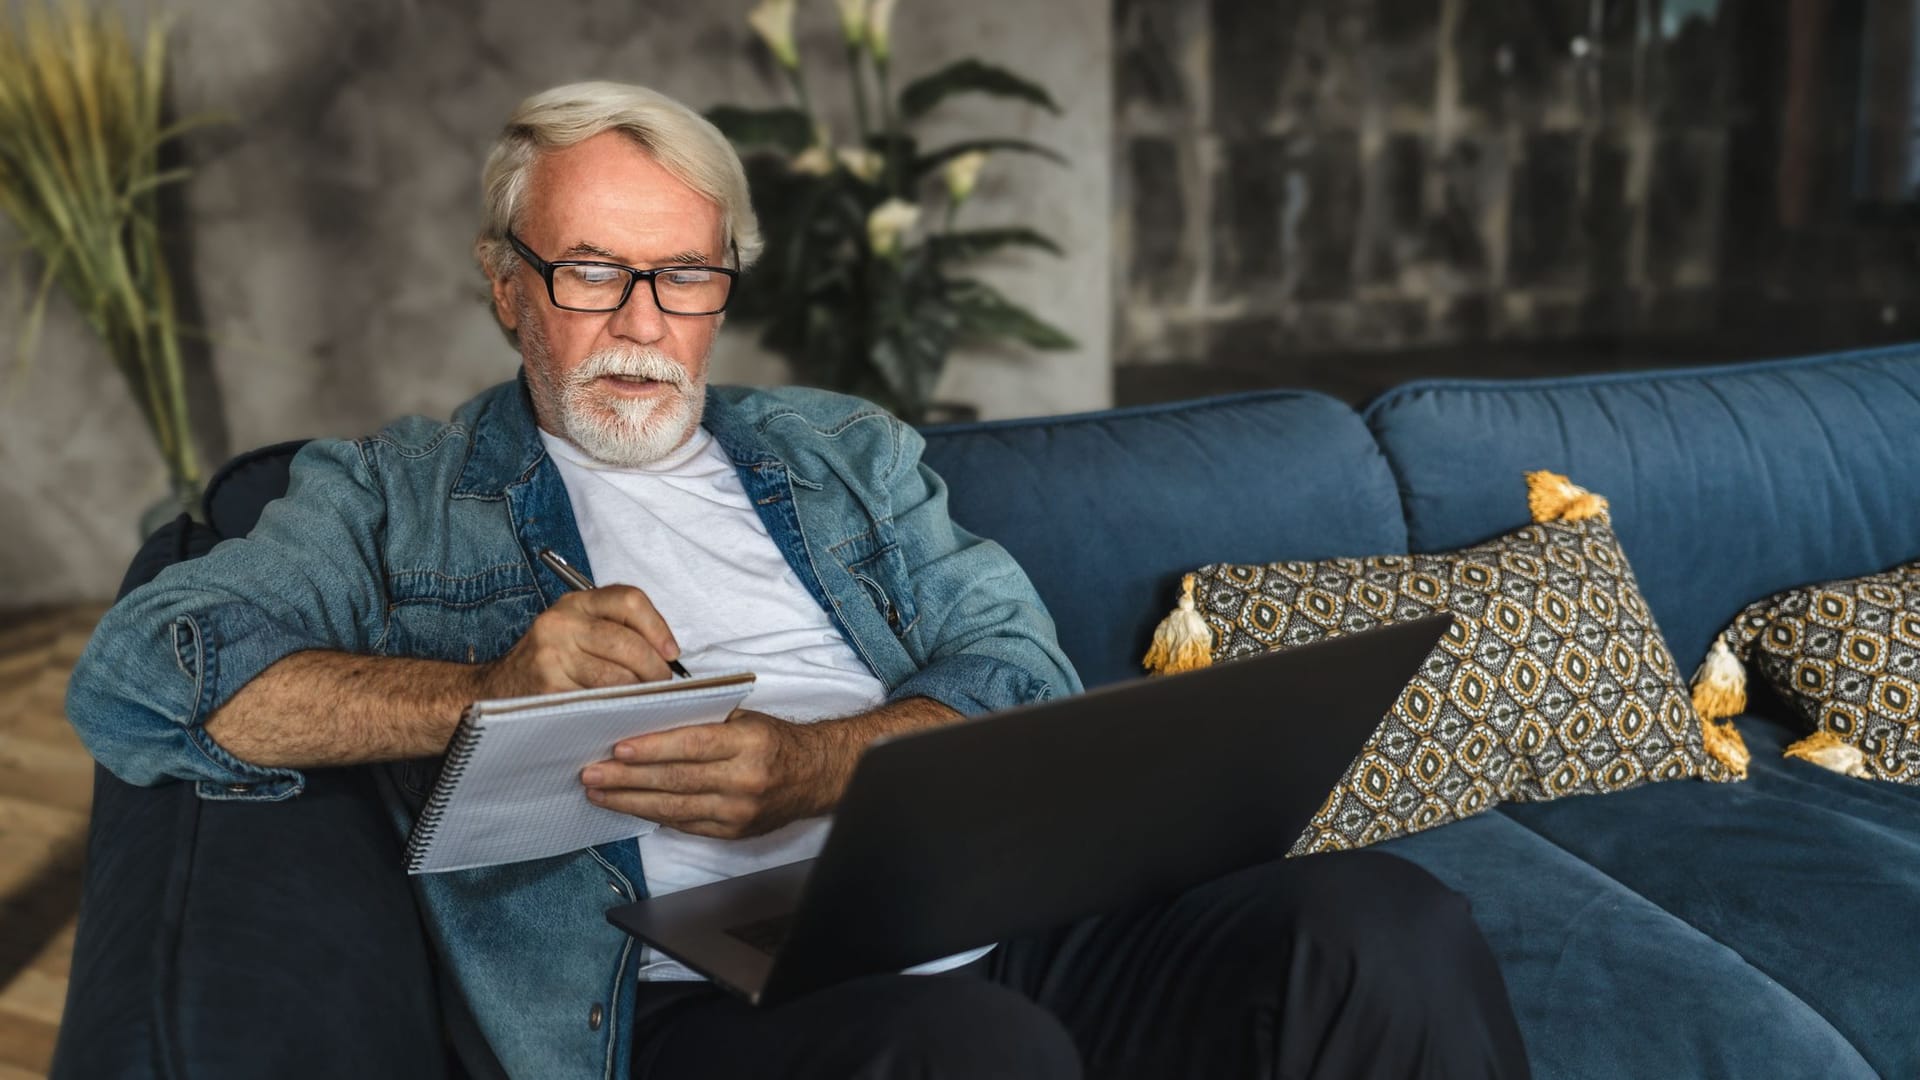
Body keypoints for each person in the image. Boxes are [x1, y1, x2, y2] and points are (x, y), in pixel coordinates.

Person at [67, 81, 1529, 1080]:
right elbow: (143, 677)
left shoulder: (843, 452)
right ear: (508, 283)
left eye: (684, 277)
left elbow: (1016, 670)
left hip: (1000, 906)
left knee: (1382, 927)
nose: (643, 322)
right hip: (699, 993)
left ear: (723, 288)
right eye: (591, 272)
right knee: (974, 1059)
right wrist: (483, 696)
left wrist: (821, 765)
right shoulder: (393, 495)